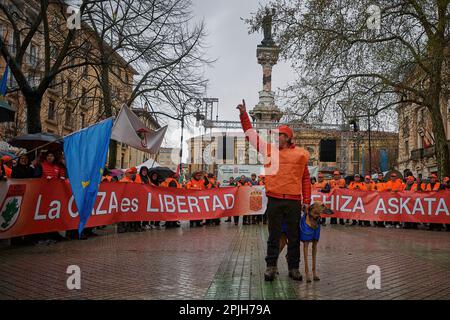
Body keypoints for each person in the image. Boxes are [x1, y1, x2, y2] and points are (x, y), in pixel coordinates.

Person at [238, 99, 310, 281]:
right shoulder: (269, 150)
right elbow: (251, 136)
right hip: (275, 199)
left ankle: (294, 268)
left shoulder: (300, 154)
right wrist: (244, 115)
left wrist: (307, 201)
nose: (276, 138)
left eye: (279, 135)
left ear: (288, 138)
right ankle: (271, 266)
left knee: (294, 236)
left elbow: (305, 178)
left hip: (293, 200)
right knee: (273, 235)